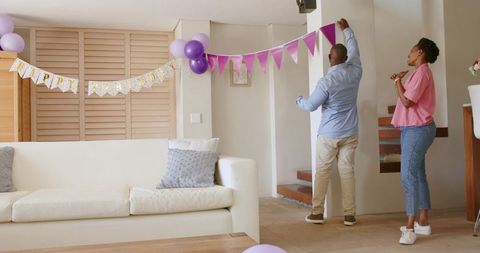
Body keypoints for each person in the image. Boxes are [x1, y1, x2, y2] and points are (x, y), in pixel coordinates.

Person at [296, 18, 362, 226]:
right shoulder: (356, 71)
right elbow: (355, 50)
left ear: (329, 58)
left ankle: (317, 213)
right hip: (350, 132)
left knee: (323, 172)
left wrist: (298, 100)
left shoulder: (326, 82)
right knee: (347, 171)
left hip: (329, 134)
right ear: (345, 58)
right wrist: (347, 30)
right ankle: (349, 215)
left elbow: (310, 106)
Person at [390, 38, 439, 245]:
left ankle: (410, 229)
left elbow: (407, 102)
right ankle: (423, 222)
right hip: (414, 129)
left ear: (420, 52)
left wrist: (397, 82)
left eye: (411, 52)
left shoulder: (422, 73)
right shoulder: (421, 73)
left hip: (417, 130)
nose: (408, 56)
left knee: (407, 175)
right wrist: (400, 82)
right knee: (418, 174)